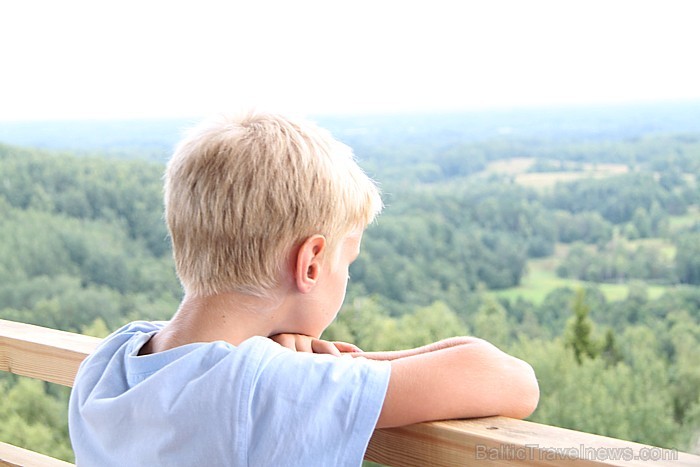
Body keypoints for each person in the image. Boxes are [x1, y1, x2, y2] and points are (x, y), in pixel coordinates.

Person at [68, 111, 539, 466]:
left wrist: (298, 364)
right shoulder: (260, 385)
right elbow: (508, 378)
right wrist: (327, 365)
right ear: (310, 263)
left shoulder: (108, 363)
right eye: (346, 261)